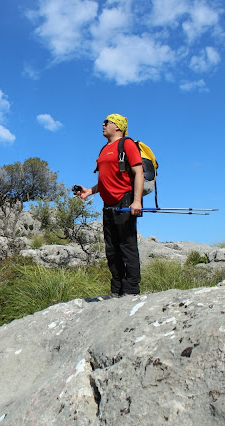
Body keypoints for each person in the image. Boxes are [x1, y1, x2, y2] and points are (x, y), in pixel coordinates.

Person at [74, 113, 143, 297]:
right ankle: (117, 289)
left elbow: (138, 173)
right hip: (108, 203)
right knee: (111, 248)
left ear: (118, 127)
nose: (103, 124)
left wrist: (137, 201)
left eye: (107, 122)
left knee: (127, 246)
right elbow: (106, 179)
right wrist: (90, 191)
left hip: (126, 200)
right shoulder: (104, 149)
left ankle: (131, 290)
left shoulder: (127, 144)